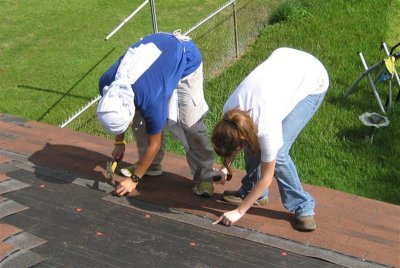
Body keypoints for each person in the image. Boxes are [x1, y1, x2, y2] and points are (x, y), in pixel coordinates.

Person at [211, 47, 329, 231]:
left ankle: (303, 206)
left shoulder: (265, 125)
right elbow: (233, 142)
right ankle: (254, 194)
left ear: (241, 138)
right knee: (253, 145)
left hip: (312, 79)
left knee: (279, 154)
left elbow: (267, 177)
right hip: (283, 64)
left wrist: (239, 212)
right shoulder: (230, 114)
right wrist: (225, 167)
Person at [97, 31, 223, 197]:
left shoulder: (151, 100)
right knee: (140, 120)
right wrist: (119, 142)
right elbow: (119, 110)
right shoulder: (107, 85)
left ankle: (204, 174)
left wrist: (134, 180)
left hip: (186, 61)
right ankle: (150, 165)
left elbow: (154, 144)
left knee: (189, 124)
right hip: (159, 63)